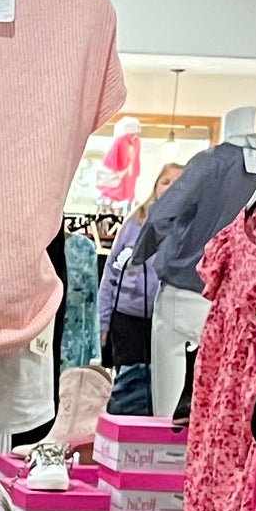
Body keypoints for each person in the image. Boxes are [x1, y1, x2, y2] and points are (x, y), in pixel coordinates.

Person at [97, 158, 181, 414]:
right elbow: (110, 275)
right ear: (155, 186)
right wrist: (103, 323)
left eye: (178, 182)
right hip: (127, 318)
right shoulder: (134, 222)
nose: (170, 187)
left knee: (162, 386)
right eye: (165, 181)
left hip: (167, 320)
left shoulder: (188, 227)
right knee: (129, 385)